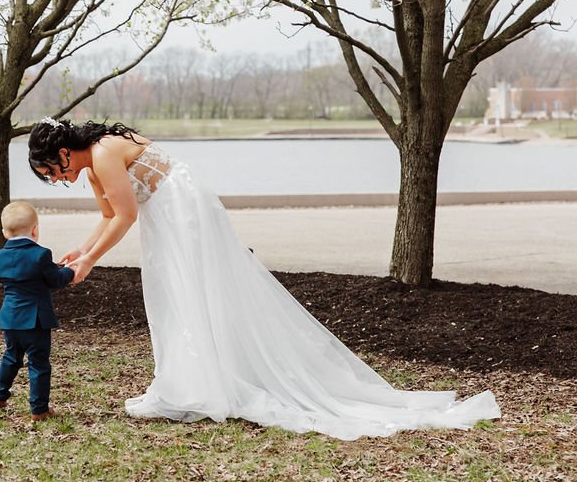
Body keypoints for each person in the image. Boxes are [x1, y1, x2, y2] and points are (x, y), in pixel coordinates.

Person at [27, 118, 500, 440]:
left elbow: (125, 217)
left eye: (52, 170)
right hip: (162, 215)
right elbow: (109, 215)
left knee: (194, 291)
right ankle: (186, 382)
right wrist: (82, 248)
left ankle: (202, 385)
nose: (56, 178)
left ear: (64, 152)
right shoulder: (92, 168)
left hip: (181, 209)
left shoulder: (106, 153)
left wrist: (88, 264)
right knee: (172, 295)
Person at [0, 201, 75, 421]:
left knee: (11, 357)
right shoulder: (41, 255)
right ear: (35, 229)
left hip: (10, 318)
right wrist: (69, 271)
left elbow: (23, 274)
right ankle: (39, 409)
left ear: (4, 232)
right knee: (38, 364)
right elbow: (54, 279)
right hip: (35, 320)